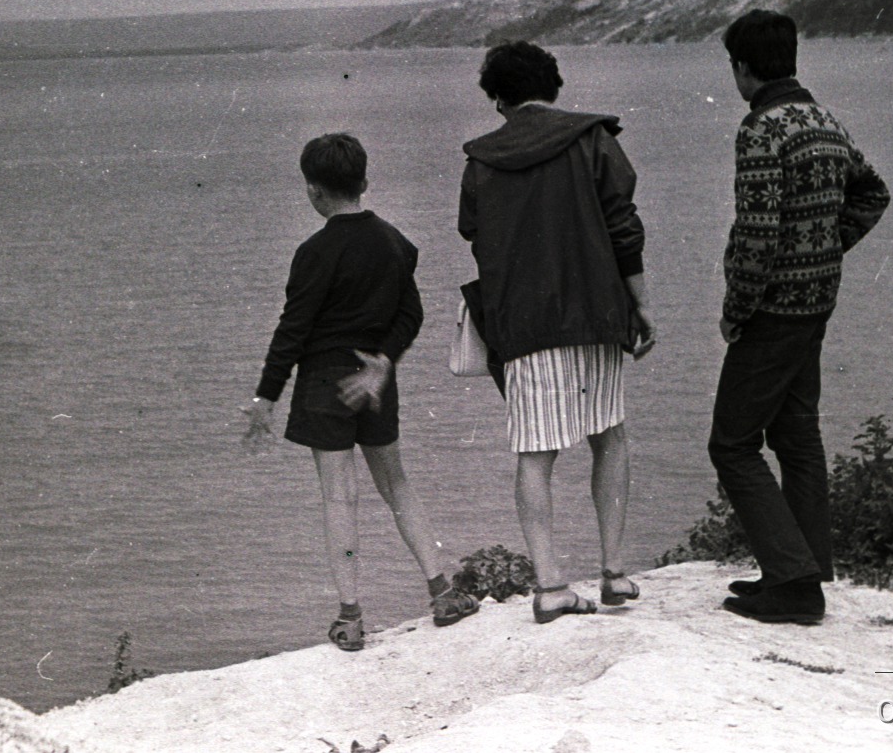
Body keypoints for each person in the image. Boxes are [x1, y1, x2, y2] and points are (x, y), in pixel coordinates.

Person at [246, 133, 480, 651]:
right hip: (376, 379)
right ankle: (441, 591)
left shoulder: (313, 253)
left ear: (313, 190)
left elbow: (293, 330)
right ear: (365, 183)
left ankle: (351, 618)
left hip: (325, 381)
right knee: (398, 486)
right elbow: (411, 314)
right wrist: (383, 362)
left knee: (339, 498)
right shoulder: (396, 242)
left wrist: (266, 396)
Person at [458, 41, 655, 623]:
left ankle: (549, 586)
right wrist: (641, 307)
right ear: (555, 85)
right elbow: (625, 228)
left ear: (498, 99)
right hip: (596, 313)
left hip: (525, 325)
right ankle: (615, 572)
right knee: (610, 437)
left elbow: (473, 231)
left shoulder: (481, 159)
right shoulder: (594, 138)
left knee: (535, 454)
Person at [709, 9, 890, 625]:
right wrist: (826, 246)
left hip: (774, 310)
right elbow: (874, 193)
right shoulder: (822, 119)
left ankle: (793, 582)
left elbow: (758, 234)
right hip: (816, 301)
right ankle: (806, 567)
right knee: (795, 435)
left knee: (731, 444)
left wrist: (736, 311)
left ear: (743, 68)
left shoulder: (761, 129)